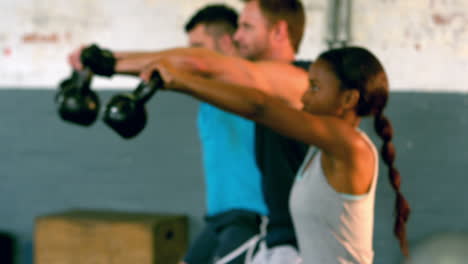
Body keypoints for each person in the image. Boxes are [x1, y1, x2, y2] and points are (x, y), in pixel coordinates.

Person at [69, 1, 310, 263]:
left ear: (279, 31)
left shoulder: (299, 82)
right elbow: (195, 64)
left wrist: (107, 62)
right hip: (246, 226)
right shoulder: (238, 88)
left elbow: (198, 63)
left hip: (268, 227)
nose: (238, 36)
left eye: (247, 27)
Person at [139, 46, 411, 264]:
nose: (304, 97)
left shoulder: (350, 147)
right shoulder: (318, 151)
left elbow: (260, 106)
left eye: (315, 87)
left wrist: (182, 81)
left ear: (348, 99)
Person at [181, 5, 267, 264]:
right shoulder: (208, 93)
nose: (190, 56)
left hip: (250, 217)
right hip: (218, 218)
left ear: (228, 43)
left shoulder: (252, 85)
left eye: (198, 46)